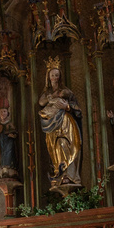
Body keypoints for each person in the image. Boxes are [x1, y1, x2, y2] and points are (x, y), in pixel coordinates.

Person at [36, 56, 83, 191]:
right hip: (52, 127)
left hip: (66, 124)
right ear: (48, 77)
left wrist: (67, 107)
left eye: (57, 75)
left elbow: (78, 109)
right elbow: (41, 102)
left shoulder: (66, 92)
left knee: (66, 145)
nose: (55, 78)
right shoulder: (47, 94)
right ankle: (60, 175)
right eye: (52, 75)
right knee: (56, 148)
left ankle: (71, 175)